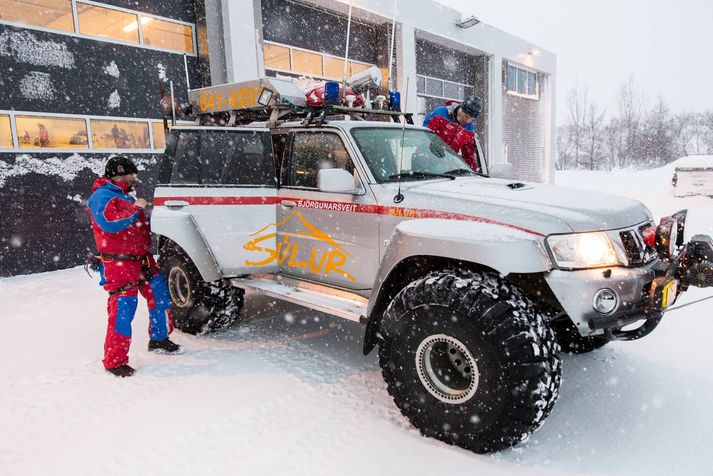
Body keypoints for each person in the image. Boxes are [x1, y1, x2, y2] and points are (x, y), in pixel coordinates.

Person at [87, 156, 182, 377]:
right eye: (132, 174)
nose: (135, 178)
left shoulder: (121, 195)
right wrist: (135, 209)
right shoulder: (101, 196)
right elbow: (108, 223)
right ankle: (114, 361)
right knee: (123, 309)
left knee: (159, 296)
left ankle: (159, 339)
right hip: (119, 264)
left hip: (141, 260)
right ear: (121, 173)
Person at [423, 95, 482, 171]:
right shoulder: (440, 113)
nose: (468, 121)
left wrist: (473, 171)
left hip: (447, 168)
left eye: (471, 119)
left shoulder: (469, 129)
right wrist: (433, 140)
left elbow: (468, 155)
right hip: (424, 162)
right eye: (466, 116)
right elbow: (424, 133)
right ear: (461, 109)